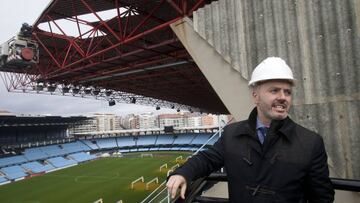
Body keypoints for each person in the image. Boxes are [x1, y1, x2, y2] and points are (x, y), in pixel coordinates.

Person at [166, 57, 334, 202]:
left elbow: (321, 197)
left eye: (287, 92)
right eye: (274, 90)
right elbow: (207, 159)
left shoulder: (311, 143)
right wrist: (183, 173)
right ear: (255, 96)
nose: (283, 97)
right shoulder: (231, 134)